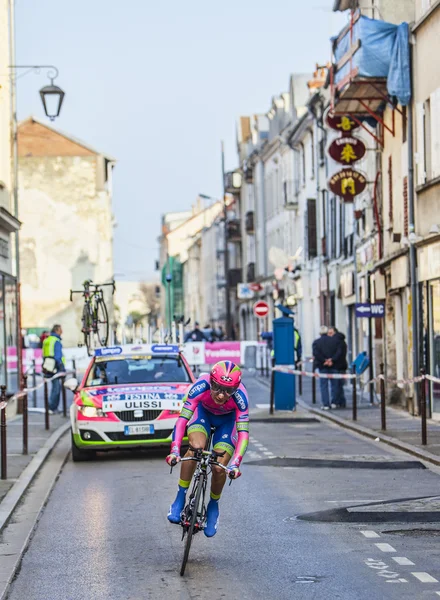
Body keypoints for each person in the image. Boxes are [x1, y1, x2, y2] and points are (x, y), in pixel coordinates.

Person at [166, 361, 249, 537]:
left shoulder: (241, 397)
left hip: (226, 422)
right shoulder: (200, 387)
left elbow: (243, 434)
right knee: (196, 448)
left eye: (228, 390)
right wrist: (174, 450)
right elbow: (181, 421)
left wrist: (235, 464)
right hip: (202, 415)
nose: (221, 395)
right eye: (217, 387)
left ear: (236, 388)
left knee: (219, 467)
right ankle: (180, 497)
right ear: (211, 381)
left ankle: (213, 506)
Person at [312, 326, 342, 410]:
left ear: (320, 333)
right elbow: (339, 352)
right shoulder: (336, 341)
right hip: (334, 365)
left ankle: (326, 404)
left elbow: (316, 353)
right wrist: (332, 360)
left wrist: (324, 360)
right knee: (335, 385)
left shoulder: (316, 342)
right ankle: (334, 402)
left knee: (323, 386)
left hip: (322, 366)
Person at [42, 324, 66, 413]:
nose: (62, 331)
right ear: (57, 330)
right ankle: (52, 407)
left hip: (48, 366)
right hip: (55, 367)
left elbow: (44, 354)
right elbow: (58, 356)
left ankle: (51, 406)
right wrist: (61, 368)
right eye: (60, 330)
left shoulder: (47, 340)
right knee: (56, 388)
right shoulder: (56, 341)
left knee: (54, 387)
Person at [328, 326, 348, 408]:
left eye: (331, 333)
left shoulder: (336, 342)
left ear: (335, 333)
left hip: (337, 366)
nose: (329, 335)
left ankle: (336, 401)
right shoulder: (342, 341)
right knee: (340, 385)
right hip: (342, 365)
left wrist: (331, 360)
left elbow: (338, 354)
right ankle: (341, 402)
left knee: (335, 385)